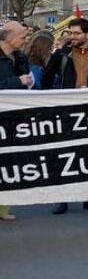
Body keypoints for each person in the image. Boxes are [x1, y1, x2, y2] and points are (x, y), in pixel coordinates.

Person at [42, 18, 88, 215]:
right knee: (65, 155)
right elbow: (47, 79)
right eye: (71, 33)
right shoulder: (61, 55)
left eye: (77, 33)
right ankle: (62, 199)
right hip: (65, 112)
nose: (73, 37)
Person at [0, 20, 32, 221]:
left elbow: (26, 79)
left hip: (13, 119)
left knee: (10, 162)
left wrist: (28, 82)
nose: (26, 40)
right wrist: (17, 81)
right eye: (23, 36)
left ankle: (4, 208)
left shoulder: (20, 57)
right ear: (9, 37)